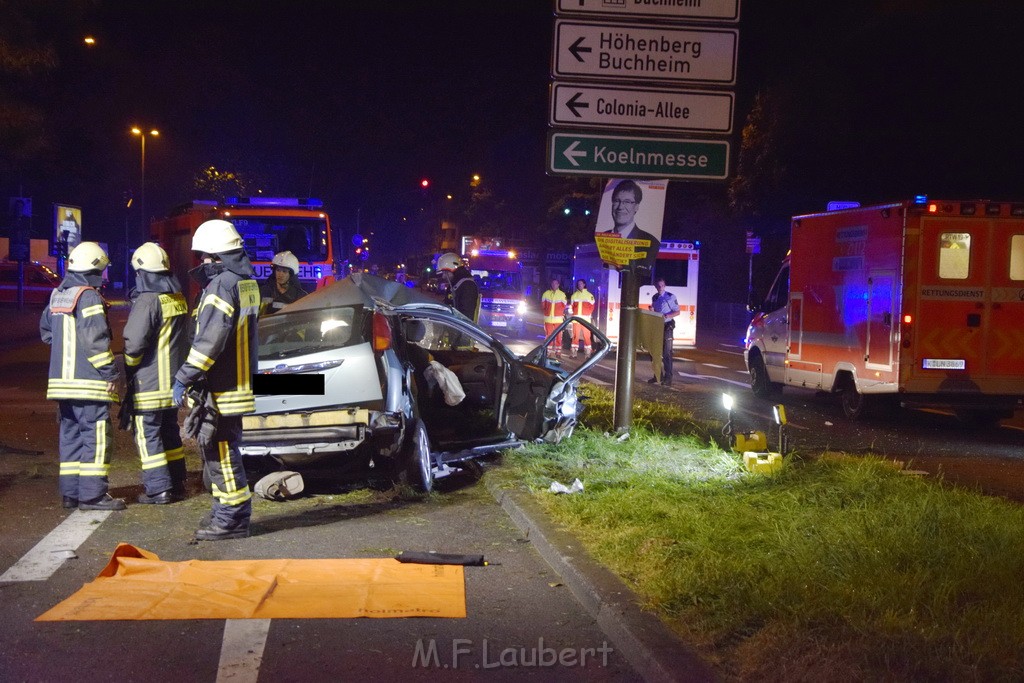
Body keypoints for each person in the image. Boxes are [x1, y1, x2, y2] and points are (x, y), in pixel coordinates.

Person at [172, 219, 260, 541]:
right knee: (221, 451)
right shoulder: (245, 282)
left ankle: (231, 520)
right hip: (235, 385)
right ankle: (226, 513)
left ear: (217, 256)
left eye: (205, 257)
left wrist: (184, 376)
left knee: (221, 454)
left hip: (223, 388)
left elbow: (210, 340)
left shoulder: (222, 285)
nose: (202, 264)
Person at [39, 242, 125, 511]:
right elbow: (96, 341)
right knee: (96, 438)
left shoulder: (58, 295)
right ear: (95, 268)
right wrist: (110, 372)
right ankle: (93, 496)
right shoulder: (88, 296)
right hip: (88, 384)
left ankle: (71, 494)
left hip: (61, 385)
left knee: (71, 437)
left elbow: (46, 333)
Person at [122, 242, 189, 504]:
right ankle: (177, 481)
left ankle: (158, 489)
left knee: (147, 433)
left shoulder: (148, 300)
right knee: (169, 430)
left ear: (142, 272)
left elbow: (134, 342)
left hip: (149, 382)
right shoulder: (177, 297)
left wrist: (130, 364)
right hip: (173, 382)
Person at [598, 180, 660, 271]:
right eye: (616, 201)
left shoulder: (651, 242)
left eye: (627, 202)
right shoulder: (601, 239)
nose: (620, 207)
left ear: (636, 207)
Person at [650, 277, 680, 386]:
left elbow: (677, 312)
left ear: (665, 285)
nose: (660, 288)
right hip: (657, 326)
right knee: (654, 352)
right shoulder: (655, 297)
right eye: (658, 286)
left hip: (667, 326)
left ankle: (668, 378)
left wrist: (668, 315)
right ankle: (657, 375)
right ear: (655, 286)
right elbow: (655, 310)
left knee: (667, 353)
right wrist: (652, 311)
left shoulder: (670, 297)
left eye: (662, 285)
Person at [259, 250, 306, 315]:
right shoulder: (265, 290)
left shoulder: (300, 296)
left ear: (291, 275)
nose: (280, 274)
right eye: (278, 270)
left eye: (284, 271)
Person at [438, 252, 480, 322]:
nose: (443, 276)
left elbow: (466, 316)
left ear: (452, 269)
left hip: (460, 329)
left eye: (445, 273)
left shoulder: (467, 286)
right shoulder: (457, 284)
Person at [541, 277, 568, 359]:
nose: (554, 285)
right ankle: (548, 352)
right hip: (548, 319)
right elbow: (543, 306)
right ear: (551, 284)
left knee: (559, 336)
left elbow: (564, 306)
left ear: (558, 285)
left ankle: (558, 352)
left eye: (556, 283)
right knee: (548, 336)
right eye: (552, 283)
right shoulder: (546, 294)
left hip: (558, 320)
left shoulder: (562, 294)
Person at [569, 279, 595, 358]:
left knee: (586, 336)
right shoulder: (574, 295)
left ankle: (587, 354)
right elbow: (572, 307)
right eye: (578, 284)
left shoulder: (589, 295)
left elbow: (592, 307)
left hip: (585, 320)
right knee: (575, 336)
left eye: (581, 283)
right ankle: (573, 353)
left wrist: (587, 314)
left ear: (584, 284)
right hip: (576, 320)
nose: (579, 285)